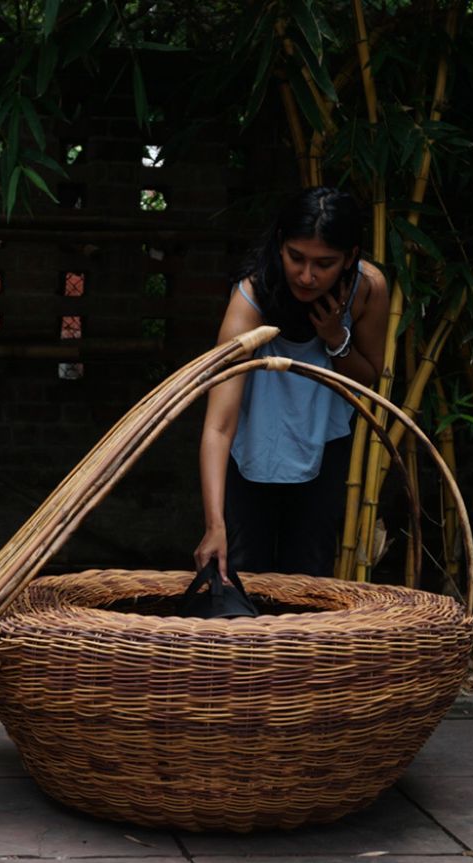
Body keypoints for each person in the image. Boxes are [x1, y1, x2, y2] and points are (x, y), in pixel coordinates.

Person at [193, 187, 390, 580]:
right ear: (280, 245)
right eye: (296, 258)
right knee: (242, 577)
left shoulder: (368, 288)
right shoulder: (252, 295)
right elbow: (218, 424)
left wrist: (336, 337)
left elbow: (370, 382)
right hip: (251, 447)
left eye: (325, 263)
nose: (306, 275)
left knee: (310, 579)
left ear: (350, 257)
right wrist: (214, 526)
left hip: (327, 444)